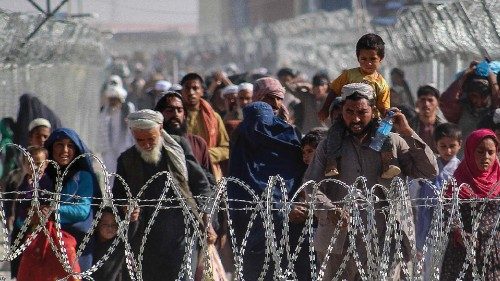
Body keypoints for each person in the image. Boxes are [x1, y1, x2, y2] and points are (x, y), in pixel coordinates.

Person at [304, 83, 438, 280]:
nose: (355, 119)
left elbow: (429, 170)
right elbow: (311, 185)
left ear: (374, 110)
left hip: (384, 239)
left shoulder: (392, 142)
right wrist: (329, 209)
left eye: (362, 112)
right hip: (339, 241)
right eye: (349, 112)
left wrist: (408, 132)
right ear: (342, 111)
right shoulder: (329, 146)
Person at [113, 109, 216, 280]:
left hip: (182, 233)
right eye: (140, 140)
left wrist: (207, 219)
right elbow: (118, 195)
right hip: (145, 239)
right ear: (132, 134)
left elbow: (201, 185)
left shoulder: (178, 148)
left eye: (151, 139)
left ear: (160, 130)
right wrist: (126, 207)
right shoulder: (127, 160)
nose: (146, 144)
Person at [228, 102, 308, 280]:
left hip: (291, 230)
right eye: (254, 125)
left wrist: (298, 205)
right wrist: (280, 210)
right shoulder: (242, 152)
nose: (259, 131)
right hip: (255, 232)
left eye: (264, 124)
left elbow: (303, 181)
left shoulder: (287, 146)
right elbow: (241, 193)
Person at [316, 34, 397, 179]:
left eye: (373, 59)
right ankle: (331, 163)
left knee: (385, 134)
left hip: (371, 119)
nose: (368, 63)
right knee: (334, 133)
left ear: (381, 59)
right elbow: (334, 90)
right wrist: (325, 109)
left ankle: (387, 164)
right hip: (347, 116)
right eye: (363, 59)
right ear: (357, 57)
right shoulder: (349, 75)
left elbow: (383, 107)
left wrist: (389, 115)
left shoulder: (382, 84)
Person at [440, 129, 499, 280]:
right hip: (462, 254)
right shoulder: (458, 182)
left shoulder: (498, 181)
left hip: (494, 253)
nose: (486, 157)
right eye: (480, 151)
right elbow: (446, 213)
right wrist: (460, 234)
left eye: (490, 152)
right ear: (470, 152)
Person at [44, 128, 100, 271]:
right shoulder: (42, 176)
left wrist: (52, 211)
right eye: (59, 145)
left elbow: (82, 210)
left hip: (77, 245)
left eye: (70, 145)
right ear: (50, 148)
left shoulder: (83, 177)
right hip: (45, 243)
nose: (65, 150)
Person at [414, 123, 462, 280]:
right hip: (431, 227)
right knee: (431, 271)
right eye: (443, 146)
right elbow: (416, 192)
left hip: (454, 228)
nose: (448, 151)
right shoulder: (430, 167)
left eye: (452, 146)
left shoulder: (461, 170)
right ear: (436, 145)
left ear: (459, 145)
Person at [180, 73, 230, 180]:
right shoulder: (175, 118)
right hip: (182, 173)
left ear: (202, 91)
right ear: (181, 92)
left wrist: (204, 155)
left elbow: (226, 148)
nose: (191, 92)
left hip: (210, 173)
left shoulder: (214, 117)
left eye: (195, 88)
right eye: (187, 88)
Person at [440, 61, 499, 138]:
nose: (479, 102)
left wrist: (490, 74)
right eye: (474, 96)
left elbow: (497, 99)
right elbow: (446, 101)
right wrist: (465, 75)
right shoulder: (460, 111)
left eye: (483, 96)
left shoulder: (494, 113)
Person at [97, 85, 135, 174]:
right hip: (108, 149)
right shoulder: (104, 112)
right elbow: (101, 130)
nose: (113, 102)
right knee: (110, 172)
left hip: (124, 147)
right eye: (111, 99)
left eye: (115, 99)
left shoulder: (127, 110)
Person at [410, 85, 447, 153]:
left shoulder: (445, 127)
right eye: (423, 100)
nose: (426, 104)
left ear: (437, 103)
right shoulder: (409, 125)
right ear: (417, 103)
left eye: (430, 100)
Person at [92, 208, 124, 281]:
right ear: (97, 225)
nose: (110, 228)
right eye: (105, 224)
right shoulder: (90, 245)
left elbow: (132, 228)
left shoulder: (118, 244)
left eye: (114, 224)